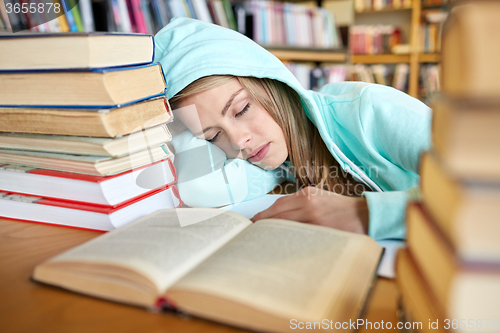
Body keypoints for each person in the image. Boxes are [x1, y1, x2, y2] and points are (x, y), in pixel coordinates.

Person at [154, 17, 432, 240]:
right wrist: (179, 128)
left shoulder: (368, 109)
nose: (238, 142)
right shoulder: (278, 159)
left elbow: (475, 189)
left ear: (271, 82)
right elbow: (197, 187)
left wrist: (366, 214)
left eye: (242, 109)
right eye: (213, 136)